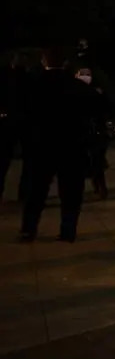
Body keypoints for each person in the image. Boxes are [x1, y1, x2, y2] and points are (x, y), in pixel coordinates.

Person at [19, 48, 99, 243]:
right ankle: (68, 230)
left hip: (41, 145)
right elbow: (95, 109)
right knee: (71, 191)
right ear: (65, 63)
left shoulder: (32, 86)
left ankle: (29, 229)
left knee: (36, 190)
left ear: (43, 62)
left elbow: (23, 115)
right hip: (72, 145)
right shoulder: (77, 86)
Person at [74, 66, 112, 200]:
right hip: (80, 131)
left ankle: (100, 187)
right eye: (82, 74)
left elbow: (105, 108)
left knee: (97, 160)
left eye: (87, 74)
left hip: (95, 130)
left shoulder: (97, 91)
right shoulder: (73, 91)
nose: (85, 76)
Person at [0, 52, 28, 204]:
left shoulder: (10, 76)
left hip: (12, 121)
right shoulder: (24, 76)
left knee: (4, 159)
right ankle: (23, 193)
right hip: (18, 121)